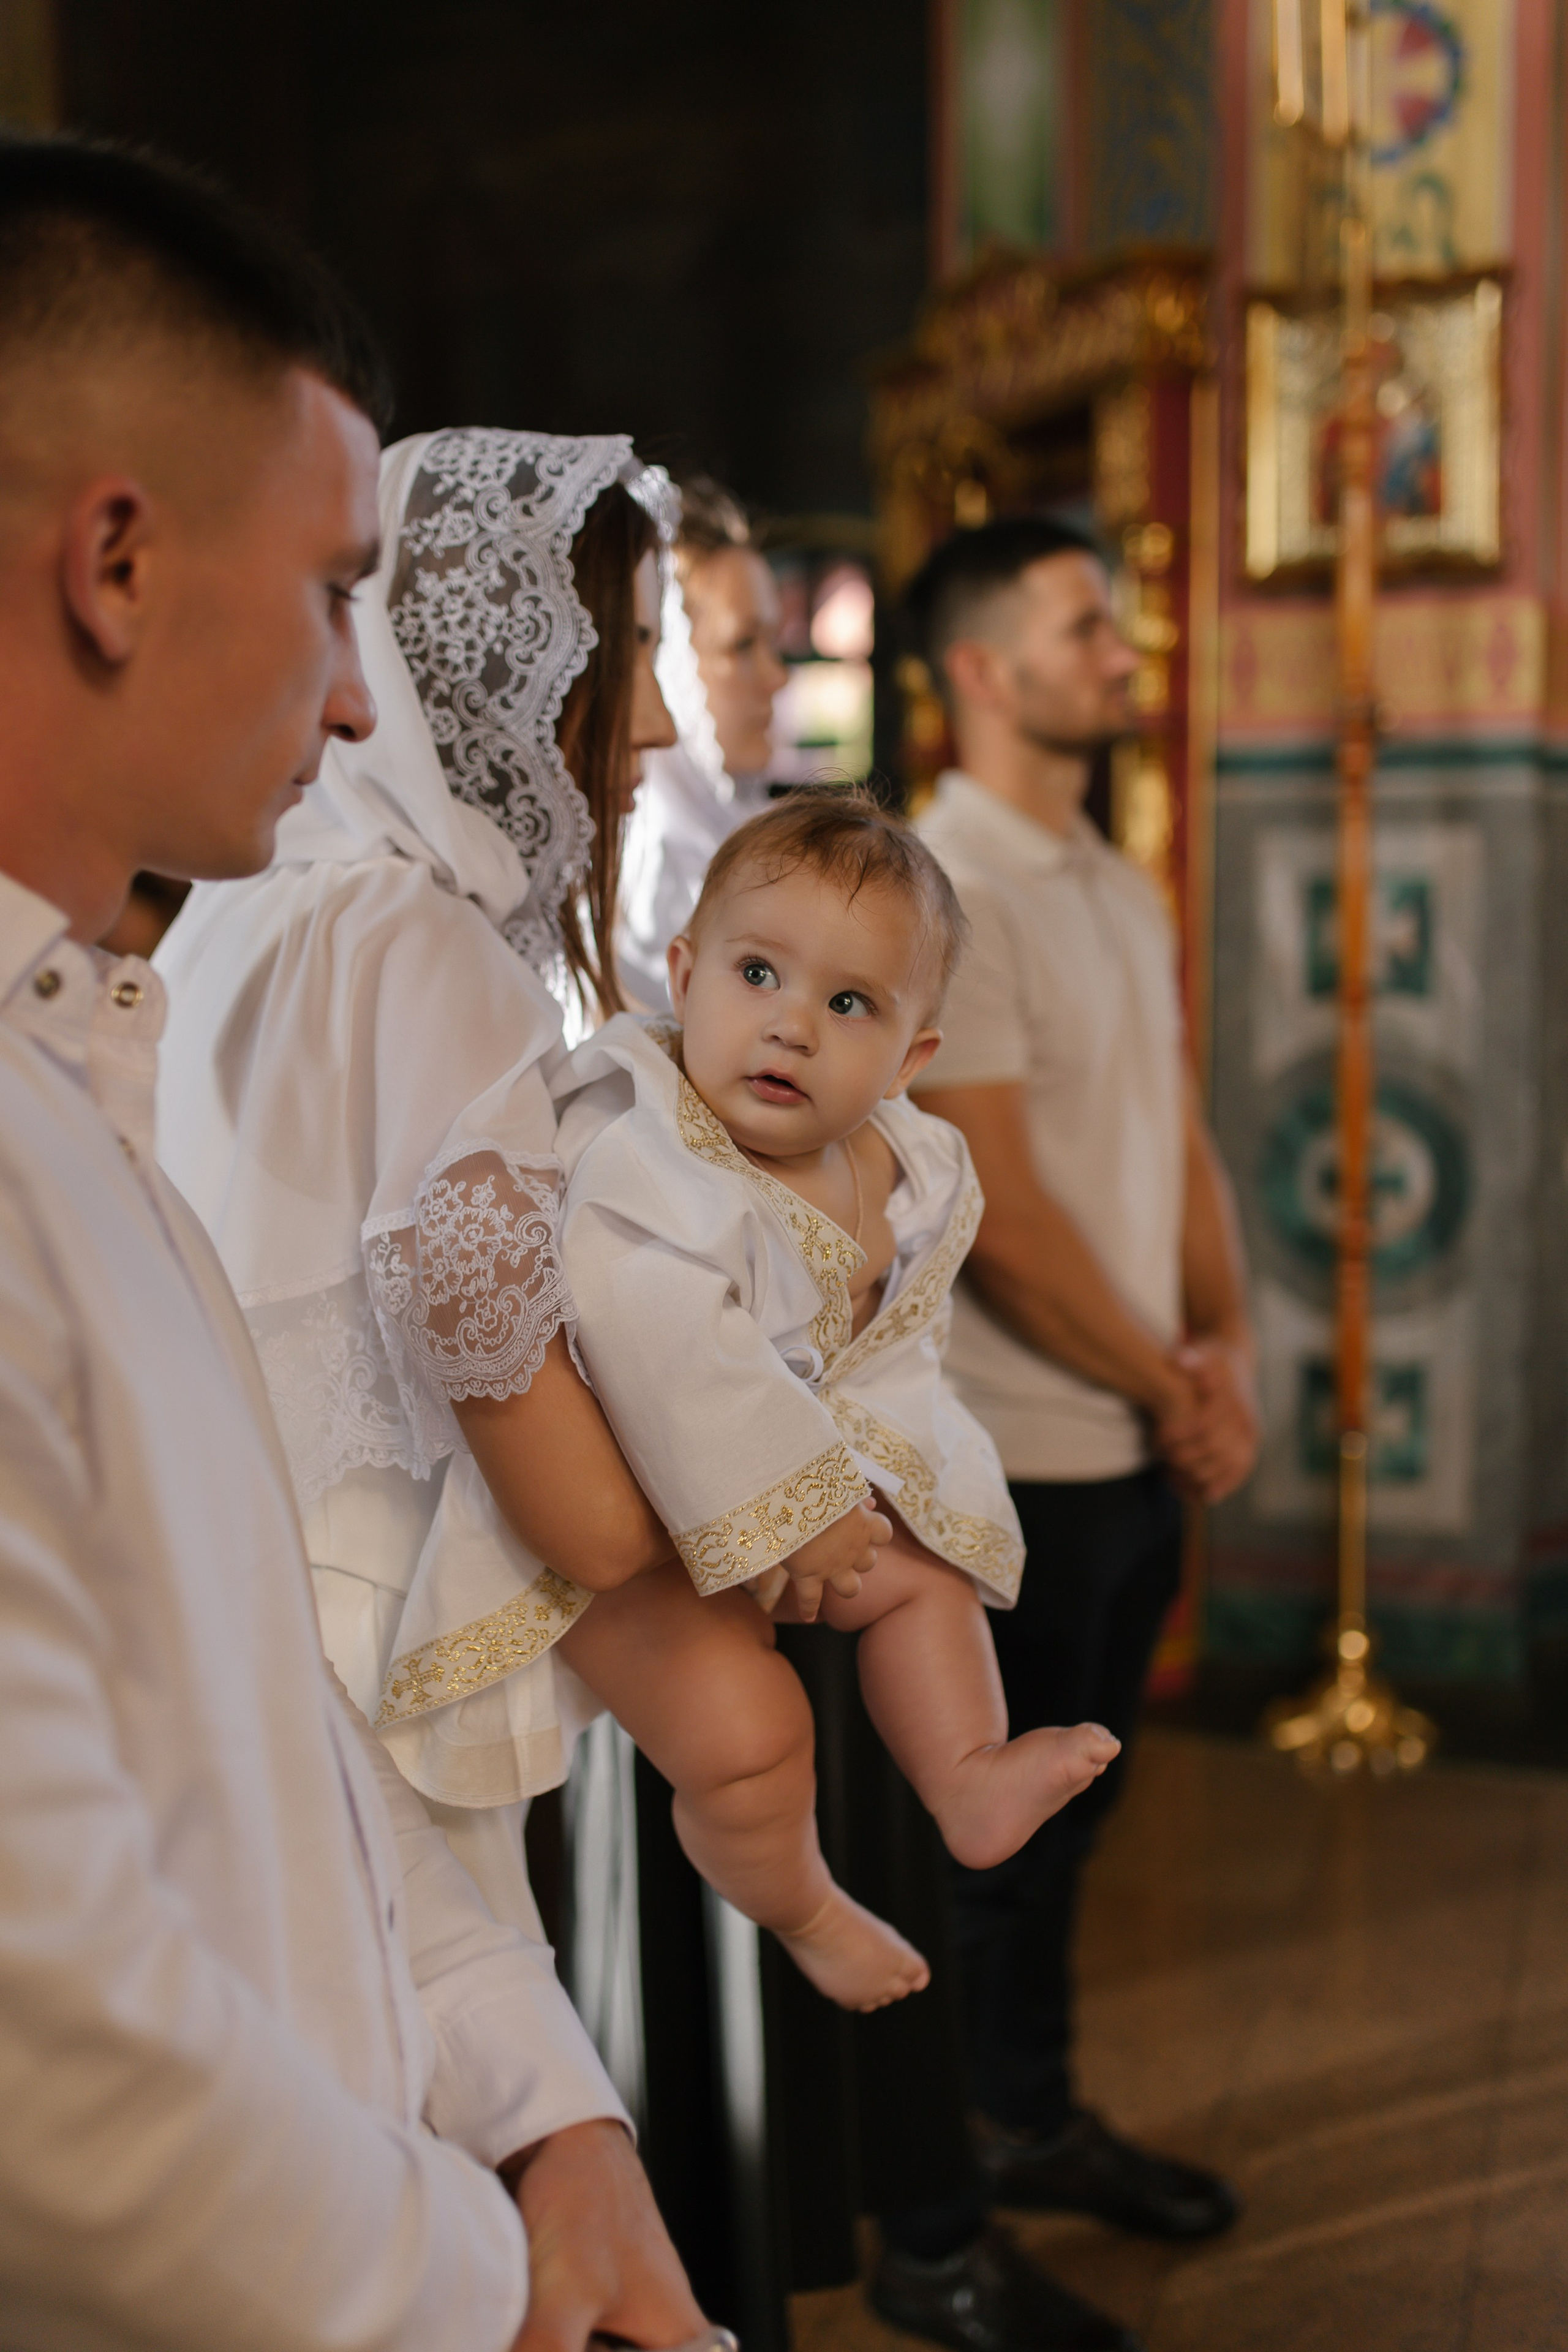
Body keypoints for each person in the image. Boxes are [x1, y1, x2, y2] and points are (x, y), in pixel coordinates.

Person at [0, 131, 704, 2352]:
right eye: (326, 593)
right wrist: (466, 2276)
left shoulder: (84, 1046)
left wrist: (534, 2097)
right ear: (115, 558)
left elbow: (247, 1727)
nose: (344, 692)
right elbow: (48, 2034)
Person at [155, 426, 688, 1938]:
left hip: (238, 1631)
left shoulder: (249, 907)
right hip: (386, 1659)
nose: (649, 727)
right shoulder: (422, 946)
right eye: (617, 660)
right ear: (497, 680)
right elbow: (562, 1486)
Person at [549, 793, 1119, 2011]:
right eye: (758, 974)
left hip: (801, 1488)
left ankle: (965, 1772)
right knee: (748, 1740)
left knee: (928, 1579)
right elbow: (654, 1334)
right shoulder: (648, 1154)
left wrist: (873, 1486)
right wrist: (789, 1496)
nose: (791, 1028)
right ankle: (802, 1906)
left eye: (848, 1004)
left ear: (911, 1057)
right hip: (632, 1514)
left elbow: (892, 1352)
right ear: (685, 974)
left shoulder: (901, 1166)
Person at [906, 516, 1259, 2271]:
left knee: (1076, 1818)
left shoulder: (1114, 878)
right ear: (982, 669)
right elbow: (1004, 1221)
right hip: (1008, 1456)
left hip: (1129, 1435)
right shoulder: (938, 887)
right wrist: (1167, 1380)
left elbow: (1174, 1137)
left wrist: (1227, 1352)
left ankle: (1028, 2118)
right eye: (1085, 623)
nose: (1126, 646)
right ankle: (943, 2188)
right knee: (982, 1849)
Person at [616, 475, 787, 1011]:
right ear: (671, 667)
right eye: (742, 645)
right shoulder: (635, 891)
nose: (777, 677)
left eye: (773, 643)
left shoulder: (767, 840)